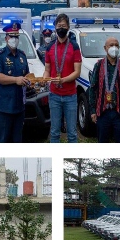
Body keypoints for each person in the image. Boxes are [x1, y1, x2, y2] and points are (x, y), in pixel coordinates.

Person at [43, 13, 83, 143]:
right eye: (59, 26)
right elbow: (47, 70)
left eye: (64, 26)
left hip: (70, 95)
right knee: (54, 132)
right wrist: (44, 79)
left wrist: (63, 80)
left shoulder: (74, 47)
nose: (61, 28)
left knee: (72, 132)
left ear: (68, 27)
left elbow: (77, 72)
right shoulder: (50, 48)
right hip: (54, 95)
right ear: (55, 27)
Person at [89, 37, 120, 143]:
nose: (114, 47)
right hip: (102, 113)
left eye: (116, 45)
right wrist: (92, 111)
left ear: (119, 47)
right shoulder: (99, 65)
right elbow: (93, 88)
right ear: (105, 48)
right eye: (111, 45)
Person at [0, 22, 31, 143]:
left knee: (17, 140)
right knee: (3, 140)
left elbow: (27, 75)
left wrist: (34, 82)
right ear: (6, 38)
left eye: (16, 36)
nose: (14, 39)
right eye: (11, 36)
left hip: (19, 107)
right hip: (4, 107)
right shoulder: (0, 56)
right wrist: (16, 80)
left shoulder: (22, 56)